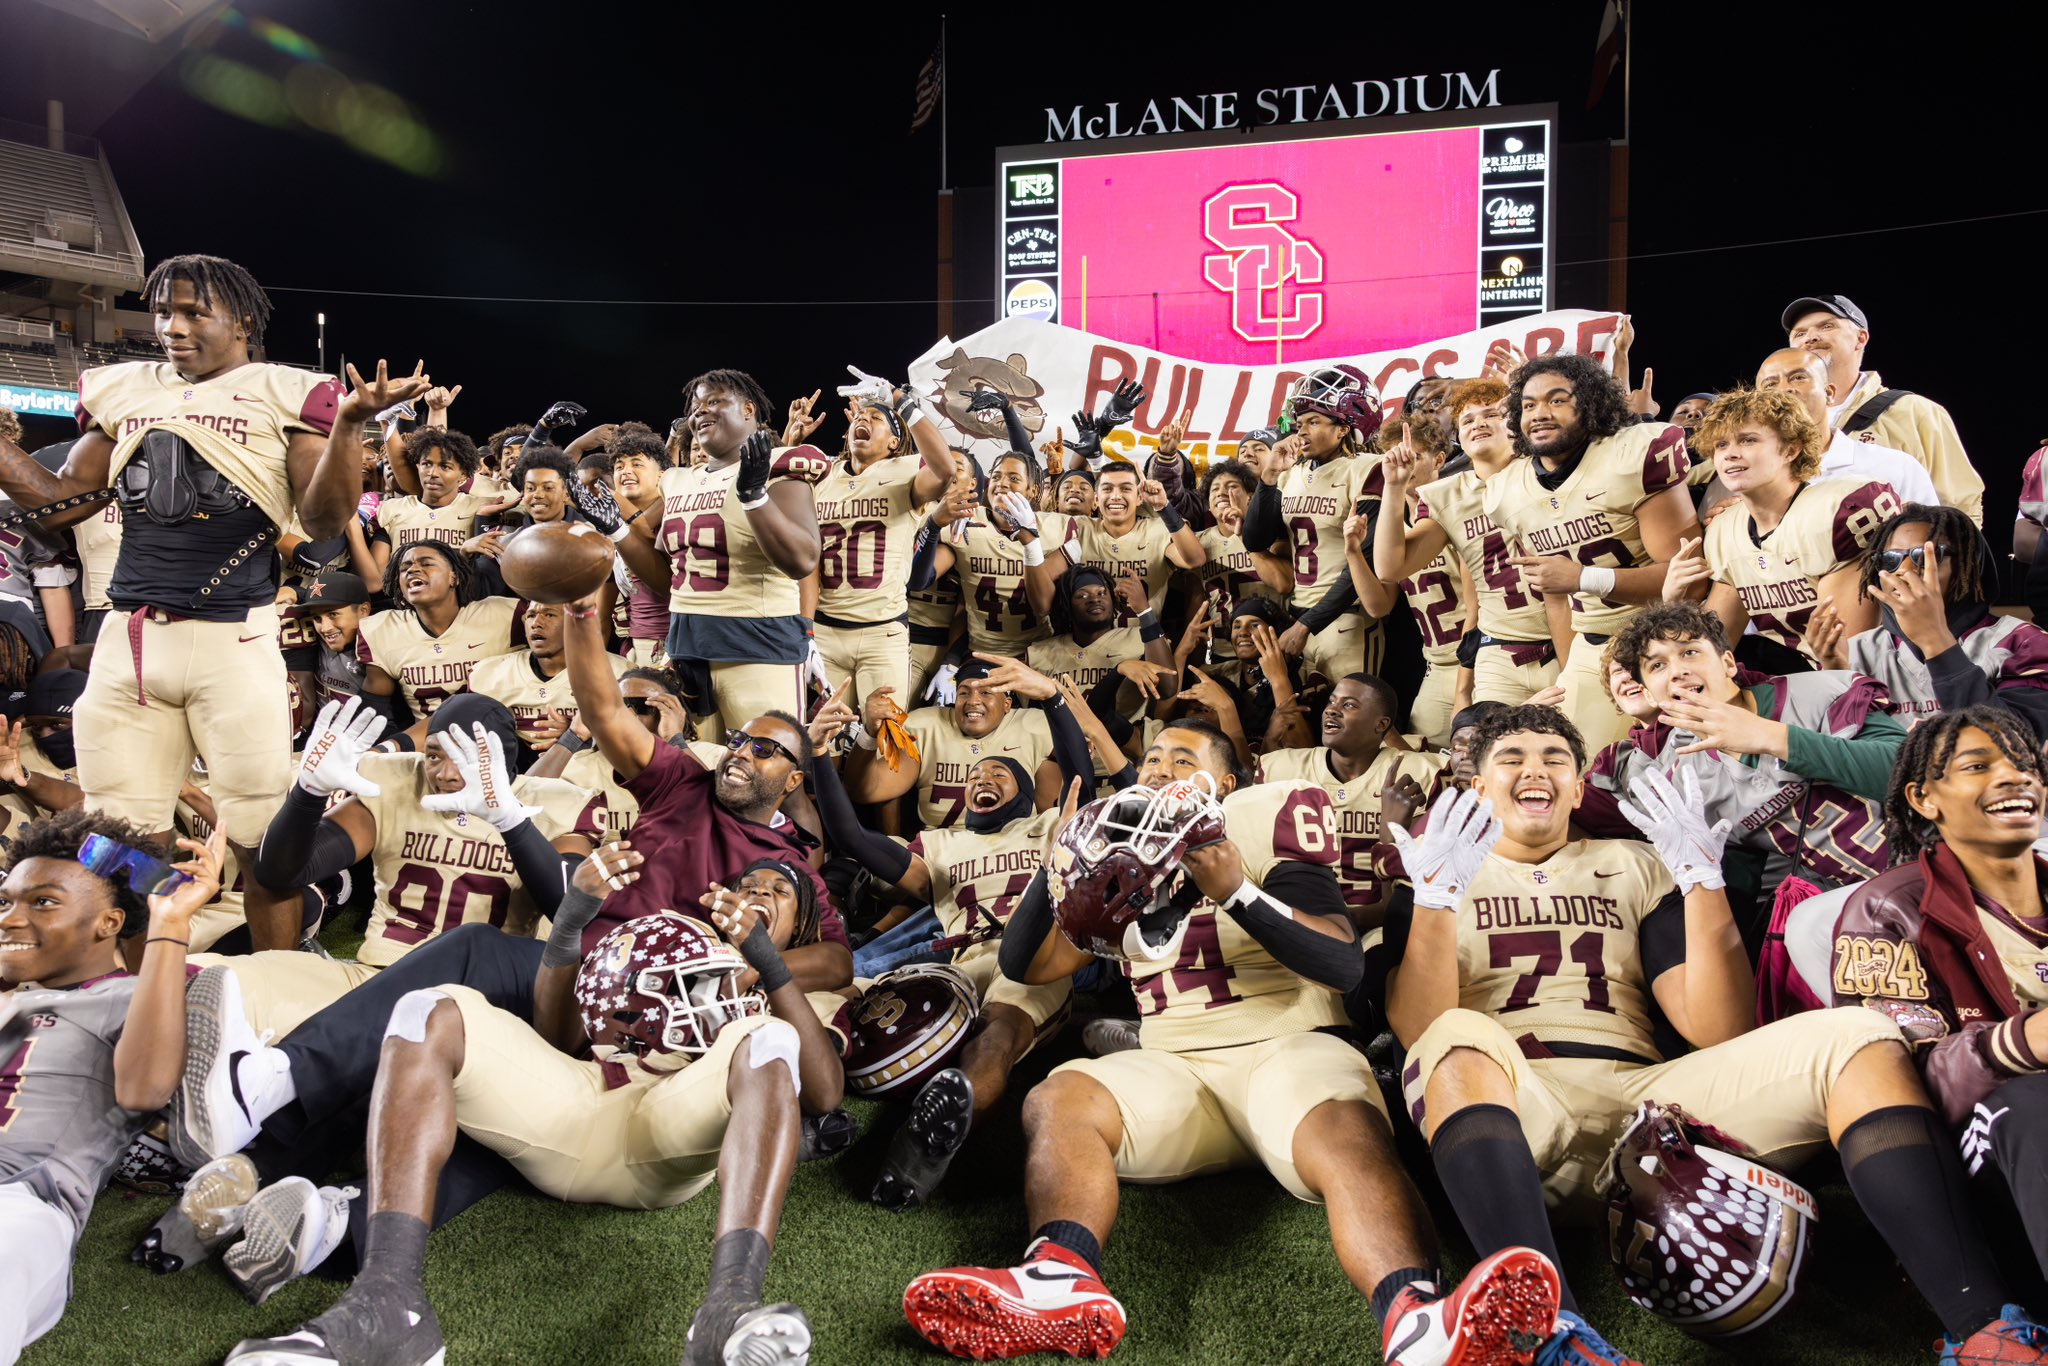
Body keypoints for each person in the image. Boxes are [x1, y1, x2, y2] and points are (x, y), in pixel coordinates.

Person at [1384, 705, 2048, 1365]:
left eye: (1556, 758)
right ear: (1477, 785)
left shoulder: (1633, 862)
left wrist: (1702, 882)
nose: (1538, 769)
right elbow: (1422, 1031)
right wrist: (1435, 900)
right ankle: (1545, 1332)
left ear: (1580, 787)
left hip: (1643, 1109)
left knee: (1859, 1032)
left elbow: (1717, 1026)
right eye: (1513, 758)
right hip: (1514, 1106)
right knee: (1458, 1034)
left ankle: (1985, 1328)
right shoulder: (1432, 864)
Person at [904, 719, 1565, 1363]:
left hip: (1287, 1049)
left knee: (1344, 1128)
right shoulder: (1126, 870)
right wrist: (1061, 863)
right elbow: (1029, 967)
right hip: (1173, 1069)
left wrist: (1237, 891)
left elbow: (1341, 964)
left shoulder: (1263, 827)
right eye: (1153, 759)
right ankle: (1057, 1278)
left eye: (1182, 760)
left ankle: (1415, 1322)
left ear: (1226, 782)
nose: (1159, 770)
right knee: (1060, 1096)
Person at [222, 848, 844, 1366]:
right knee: (429, 1009)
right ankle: (389, 1300)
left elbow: (822, 1092)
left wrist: (764, 961)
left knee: (768, 1039)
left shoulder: (803, 988)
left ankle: (727, 1307)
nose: (758, 891)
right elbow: (556, 1036)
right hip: (575, 1104)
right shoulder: (670, 941)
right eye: (749, 882)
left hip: (665, 1134)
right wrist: (573, 917)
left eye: (778, 891)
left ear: (804, 922)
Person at [0, 253, 428, 951]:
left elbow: (322, 523)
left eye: (195, 311)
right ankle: (137, 994)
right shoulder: (122, 389)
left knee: (263, 838)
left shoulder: (283, 392)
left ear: (244, 321)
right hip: (131, 643)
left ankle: (276, 989)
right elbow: (61, 509)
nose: (172, 325)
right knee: (113, 847)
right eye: (165, 310)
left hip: (235, 640)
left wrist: (348, 425)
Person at [810, 662, 1096, 1210]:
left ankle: (923, 1151)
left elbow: (1080, 771)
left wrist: (1054, 698)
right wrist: (820, 755)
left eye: (998, 776)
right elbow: (851, 834)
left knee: (1001, 1031)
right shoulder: (940, 844)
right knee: (841, 994)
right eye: (974, 778)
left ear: (1024, 792)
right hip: (954, 960)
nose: (981, 781)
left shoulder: (1045, 828)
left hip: (1030, 954)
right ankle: (805, 1094)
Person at [1834, 706, 2048, 1294]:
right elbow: (1896, 1081)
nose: (2014, 777)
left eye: (2026, 765)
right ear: (1925, 800)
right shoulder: (1883, 911)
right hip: (1994, 1152)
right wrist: (2023, 1042)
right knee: (2031, 1103)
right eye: (1978, 766)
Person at [0, 808, 225, 1365]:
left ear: (108, 923)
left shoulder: (135, 995)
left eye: (43, 901)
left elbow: (144, 1091)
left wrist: (170, 924)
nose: (9, 917)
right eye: (6, 901)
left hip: (20, 1205)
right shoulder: (15, 1000)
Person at [556, 583, 853, 983]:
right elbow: (605, 711)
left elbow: (838, 962)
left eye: (764, 750)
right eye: (739, 740)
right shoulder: (682, 780)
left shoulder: (784, 865)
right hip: (592, 962)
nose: (742, 752)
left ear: (792, 780)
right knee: (474, 947)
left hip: (676, 1000)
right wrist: (580, 613)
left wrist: (750, 971)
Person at [1583, 603, 1905, 943]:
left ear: (1727, 664)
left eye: (1690, 652)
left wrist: (1774, 738)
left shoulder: (1814, 693)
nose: (1677, 671)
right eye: (1658, 665)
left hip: (1942, 857)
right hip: (1864, 907)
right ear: (1648, 691)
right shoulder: (1681, 774)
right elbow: (1737, 883)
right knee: (1800, 931)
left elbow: (1916, 771)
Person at [1484, 355, 1699, 756]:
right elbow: (1554, 590)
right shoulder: (1505, 490)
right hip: (1590, 646)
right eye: (1528, 404)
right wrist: (1572, 669)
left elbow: (1689, 579)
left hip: (1663, 639)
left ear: (1591, 404)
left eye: (1557, 400)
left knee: (1676, 768)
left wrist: (1585, 579)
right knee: (1583, 775)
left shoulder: (1631, 454)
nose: (1540, 414)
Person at [633, 368, 827, 739]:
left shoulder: (779, 465)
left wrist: (755, 495)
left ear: (749, 410)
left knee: (766, 775)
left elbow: (802, 561)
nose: (701, 411)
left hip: (758, 647)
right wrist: (617, 532)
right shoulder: (679, 480)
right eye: (695, 405)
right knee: (693, 773)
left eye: (714, 401)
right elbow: (666, 580)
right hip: (687, 647)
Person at [1661, 386, 1899, 668]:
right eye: (1721, 445)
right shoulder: (1725, 530)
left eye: (1747, 440)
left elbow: (1853, 658)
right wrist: (1674, 604)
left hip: (1890, 679)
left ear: (1790, 449)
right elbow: (1709, 656)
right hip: (1818, 678)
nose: (1730, 454)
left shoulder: (1839, 510)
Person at [1376, 380, 1559, 709]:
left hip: (1566, 639)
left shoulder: (1549, 469)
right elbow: (1390, 568)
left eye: (1491, 414)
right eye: (1467, 419)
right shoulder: (1447, 495)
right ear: (1457, 436)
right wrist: (1392, 487)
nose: (1479, 423)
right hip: (1499, 652)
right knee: (1493, 755)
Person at [1812, 504, 2048, 737]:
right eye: (1890, 559)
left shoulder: (2023, 642)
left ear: (1970, 566)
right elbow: (1843, 754)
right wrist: (1837, 675)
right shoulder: (1857, 651)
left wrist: (1936, 642)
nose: (1903, 570)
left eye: (1925, 557)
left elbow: (2020, 745)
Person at [808, 375, 957, 710]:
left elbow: (946, 470)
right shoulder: (823, 474)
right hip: (825, 630)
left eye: (877, 419)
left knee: (886, 740)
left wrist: (899, 400)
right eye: (861, 417)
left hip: (881, 632)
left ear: (894, 442)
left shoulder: (905, 472)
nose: (865, 419)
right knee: (823, 740)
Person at [1258, 673, 1446, 928]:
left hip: (1387, 924)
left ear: (1381, 725)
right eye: (1332, 702)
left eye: (1348, 705)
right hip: (1297, 923)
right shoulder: (1281, 767)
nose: (1332, 711)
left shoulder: (1424, 774)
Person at [1244, 367, 1388, 685]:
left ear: (1344, 427)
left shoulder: (1368, 469)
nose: (1301, 431)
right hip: (1298, 614)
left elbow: (1363, 560)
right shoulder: (1290, 472)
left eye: (1314, 421)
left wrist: (1307, 624)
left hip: (1347, 619)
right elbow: (1255, 540)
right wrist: (1268, 479)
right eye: (1299, 423)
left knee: (1355, 725)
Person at [1783, 294, 1983, 522]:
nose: (1810, 338)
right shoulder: (1776, 425)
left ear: (1860, 339)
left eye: (1827, 326)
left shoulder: (1914, 411)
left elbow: (1962, 505)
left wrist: (1956, 554)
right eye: (1800, 333)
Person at [1348, 420, 1471, 745]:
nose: (1402, 464)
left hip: (1473, 662)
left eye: (1413, 456)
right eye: (1392, 457)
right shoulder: (1394, 529)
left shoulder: (1455, 513)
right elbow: (1378, 605)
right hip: (1435, 664)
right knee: (1425, 764)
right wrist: (1353, 553)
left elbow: (1478, 605)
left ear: (1440, 460)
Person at [848, 657, 1058, 830]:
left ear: (1006, 704)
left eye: (986, 692)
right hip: (940, 856)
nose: (973, 700)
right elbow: (865, 791)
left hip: (1010, 852)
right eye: (964, 692)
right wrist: (868, 732)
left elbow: (1052, 820)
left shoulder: (1033, 727)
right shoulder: (926, 726)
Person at [357, 541, 521, 728]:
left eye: (426, 563)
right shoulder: (383, 629)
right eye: (405, 568)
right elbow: (373, 711)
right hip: (428, 744)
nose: (412, 570)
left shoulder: (504, 614)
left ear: (454, 578)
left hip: (498, 738)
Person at [1753, 348, 1937, 506]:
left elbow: (1930, 538)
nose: (1785, 389)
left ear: (1829, 393)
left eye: (1799, 378)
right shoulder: (1746, 478)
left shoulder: (1895, 466)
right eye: (1770, 385)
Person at [1033, 459, 1206, 626]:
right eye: (1107, 489)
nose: (1116, 496)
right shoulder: (1078, 529)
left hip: (1143, 647)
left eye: (1125, 489)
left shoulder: (1156, 530)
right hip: (1088, 647)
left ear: (1139, 498)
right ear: (1095, 499)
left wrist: (1163, 507)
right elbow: (1041, 585)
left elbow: (1195, 560)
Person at [464, 598, 629, 754]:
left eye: (549, 615)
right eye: (531, 615)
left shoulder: (619, 674)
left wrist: (578, 738)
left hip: (586, 774)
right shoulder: (492, 673)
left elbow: (632, 744)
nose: (536, 623)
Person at [374, 426, 488, 571]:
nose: (432, 473)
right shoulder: (390, 509)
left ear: (463, 475)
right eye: (427, 464)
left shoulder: (480, 507)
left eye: (445, 466)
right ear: (418, 467)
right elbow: (377, 578)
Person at [1192, 458, 1292, 617]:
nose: (1221, 493)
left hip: (1269, 637)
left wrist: (1243, 535)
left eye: (1231, 487)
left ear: (1251, 497)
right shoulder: (1197, 542)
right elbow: (1195, 597)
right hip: (1221, 639)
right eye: (1214, 489)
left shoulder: (1272, 532)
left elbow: (1284, 584)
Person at [279, 570, 372, 720]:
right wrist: (295, 591)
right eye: (317, 618)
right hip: (321, 737)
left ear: (363, 610)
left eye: (333, 615)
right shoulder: (320, 640)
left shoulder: (381, 645)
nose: (325, 628)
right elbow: (316, 601)